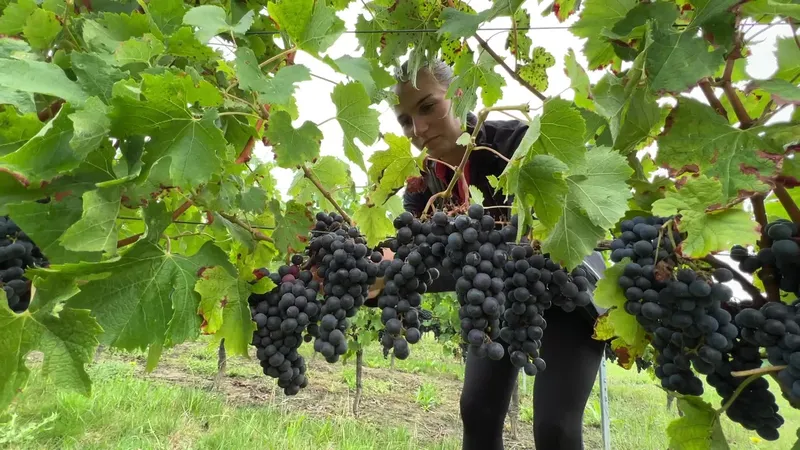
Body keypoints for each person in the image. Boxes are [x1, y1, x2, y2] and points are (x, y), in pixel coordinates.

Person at [390, 60, 608, 450]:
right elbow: (424, 258)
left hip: (568, 290)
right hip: (501, 298)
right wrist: (387, 269)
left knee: (555, 428)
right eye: (406, 120)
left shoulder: (518, 145)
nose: (417, 130)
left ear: (460, 96)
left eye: (428, 107)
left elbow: (516, 247)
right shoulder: (424, 184)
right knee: (477, 410)